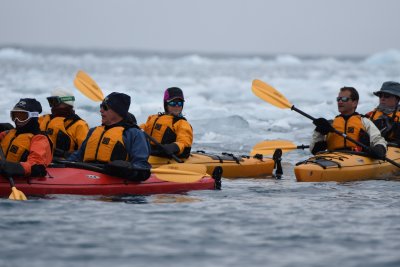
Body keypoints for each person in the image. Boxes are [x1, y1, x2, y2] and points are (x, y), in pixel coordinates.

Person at [68, 92, 151, 181]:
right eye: (101, 106)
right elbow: (77, 156)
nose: (101, 110)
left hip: (116, 182)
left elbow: (143, 168)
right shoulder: (93, 131)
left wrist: (126, 169)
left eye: (105, 107)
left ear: (118, 111)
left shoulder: (133, 134)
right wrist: (63, 163)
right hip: (87, 174)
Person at [310, 86, 387, 159]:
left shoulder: (365, 122)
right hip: (333, 157)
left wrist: (379, 149)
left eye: (344, 99)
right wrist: (319, 131)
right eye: (338, 99)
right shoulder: (330, 124)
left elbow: (378, 140)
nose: (340, 102)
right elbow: (314, 150)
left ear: (355, 103)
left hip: (357, 157)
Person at [0, 98, 52, 177]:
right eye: (15, 116)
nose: (17, 120)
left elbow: (37, 164)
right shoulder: (7, 134)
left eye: (22, 116)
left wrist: (15, 168)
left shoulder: (39, 139)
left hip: (18, 181)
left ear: (33, 116)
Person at [141, 87, 193, 158]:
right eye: (173, 103)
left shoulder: (181, 123)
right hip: (149, 155)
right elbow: (140, 130)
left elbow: (184, 142)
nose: (177, 106)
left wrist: (173, 147)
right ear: (166, 104)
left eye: (179, 103)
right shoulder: (153, 118)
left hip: (167, 159)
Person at [39, 88, 89, 158]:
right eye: (51, 102)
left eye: (55, 102)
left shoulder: (79, 125)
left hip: (65, 165)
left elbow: (85, 152)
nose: (53, 105)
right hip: (41, 163)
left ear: (66, 102)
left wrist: (65, 154)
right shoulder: (43, 120)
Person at [365, 81, 400, 145]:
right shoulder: (369, 115)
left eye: (387, 95)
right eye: (380, 95)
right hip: (370, 151)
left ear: (397, 99)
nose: (382, 98)